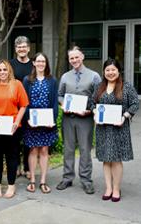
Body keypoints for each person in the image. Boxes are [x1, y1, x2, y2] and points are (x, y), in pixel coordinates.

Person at [90, 59, 139, 202]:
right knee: (106, 158)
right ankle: (108, 188)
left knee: (116, 159)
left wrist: (125, 116)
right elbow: (92, 102)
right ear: (104, 72)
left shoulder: (126, 86)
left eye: (113, 70)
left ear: (118, 71)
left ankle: (116, 189)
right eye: (107, 70)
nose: (110, 73)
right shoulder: (99, 86)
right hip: (103, 128)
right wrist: (94, 112)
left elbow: (135, 103)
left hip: (119, 128)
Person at [57, 46, 101, 194]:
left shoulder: (94, 76)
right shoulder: (65, 76)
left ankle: (86, 180)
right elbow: (60, 95)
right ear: (69, 60)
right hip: (68, 118)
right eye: (71, 58)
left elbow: (98, 97)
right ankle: (67, 178)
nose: (74, 60)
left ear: (82, 57)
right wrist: (64, 104)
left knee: (85, 149)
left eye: (76, 57)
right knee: (68, 149)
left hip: (85, 119)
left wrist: (89, 110)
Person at [0, 60, 28, 198]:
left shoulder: (17, 85)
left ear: (9, 71)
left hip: (12, 128)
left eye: (5, 70)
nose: (2, 72)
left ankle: (11, 185)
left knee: (11, 157)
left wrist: (17, 122)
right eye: (0, 70)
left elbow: (23, 105)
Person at [23, 53, 58, 194]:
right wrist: (27, 119)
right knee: (33, 150)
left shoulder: (52, 80)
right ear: (34, 63)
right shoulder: (27, 80)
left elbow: (55, 102)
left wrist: (53, 120)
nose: (41, 64)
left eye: (43, 61)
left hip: (47, 121)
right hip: (32, 121)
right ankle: (32, 179)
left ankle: (43, 181)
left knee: (44, 150)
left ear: (46, 63)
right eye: (38, 61)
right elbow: (24, 102)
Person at [9, 36, 32, 178]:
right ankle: (16, 165)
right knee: (15, 139)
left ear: (29, 48)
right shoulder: (10, 65)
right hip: (14, 108)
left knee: (28, 138)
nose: (21, 49)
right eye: (18, 47)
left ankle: (27, 167)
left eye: (24, 46)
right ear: (15, 49)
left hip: (31, 107)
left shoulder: (34, 65)